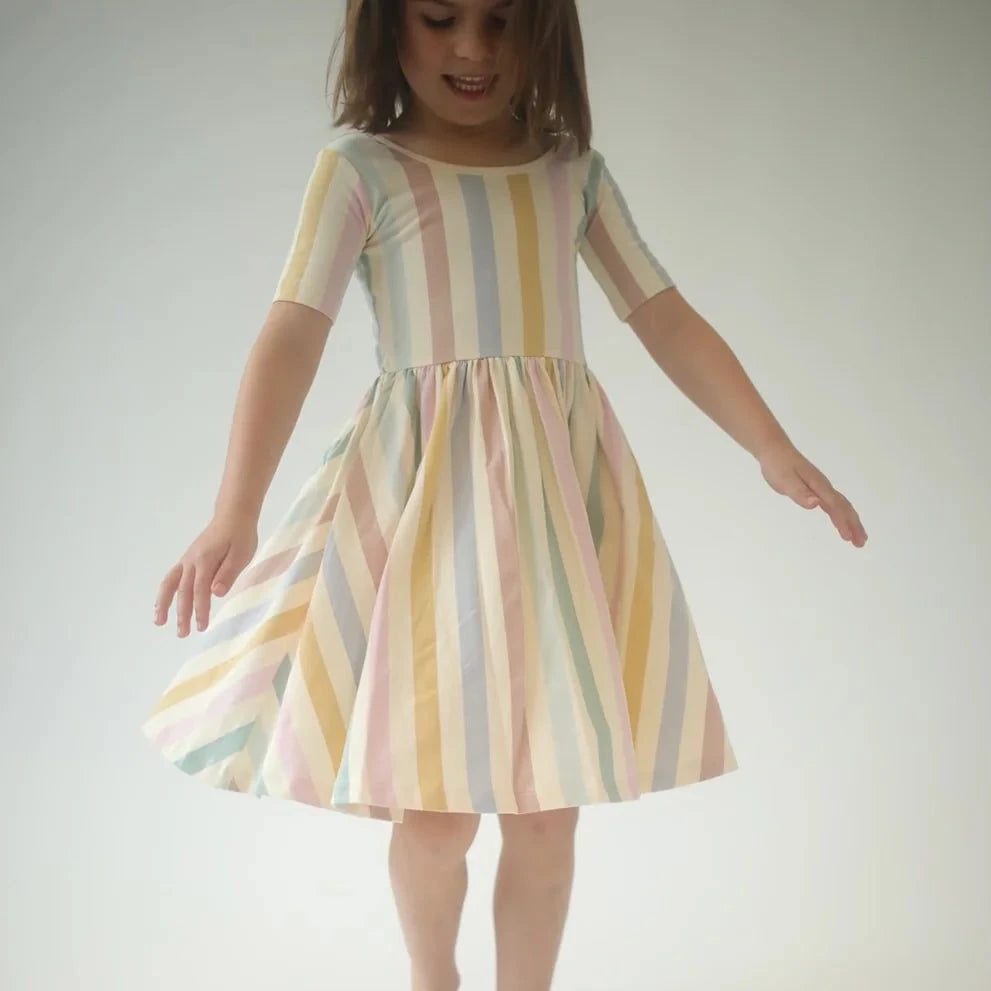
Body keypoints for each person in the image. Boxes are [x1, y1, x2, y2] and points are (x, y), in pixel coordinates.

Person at [142, 1, 868, 989]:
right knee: (432, 802)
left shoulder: (572, 174)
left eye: (500, 20)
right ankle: (431, 978)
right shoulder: (364, 171)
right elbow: (291, 332)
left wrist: (769, 445)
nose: (472, 48)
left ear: (546, 33)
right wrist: (237, 504)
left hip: (552, 515)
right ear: (387, 29)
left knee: (547, 802)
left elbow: (663, 315)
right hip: (426, 512)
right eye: (440, 18)